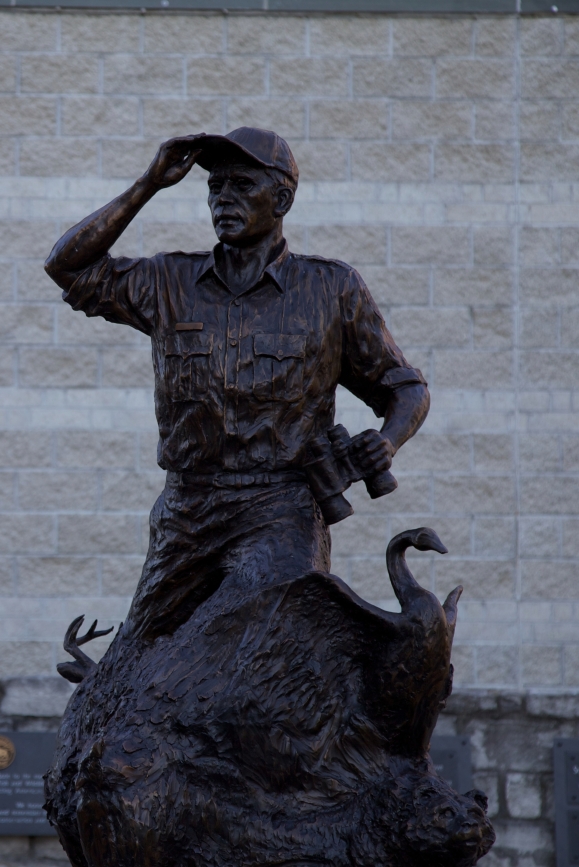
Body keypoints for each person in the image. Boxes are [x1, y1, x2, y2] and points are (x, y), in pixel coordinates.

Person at [44, 128, 430, 643]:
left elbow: (404, 387)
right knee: (140, 657)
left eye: (242, 185)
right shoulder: (168, 281)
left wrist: (387, 441)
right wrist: (148, 184)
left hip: (281, 507)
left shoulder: (330, 289)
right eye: (215, 187)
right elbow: (67, 266)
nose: (223, 198)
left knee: (268, 640)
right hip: (187, 510)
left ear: (282, 200)